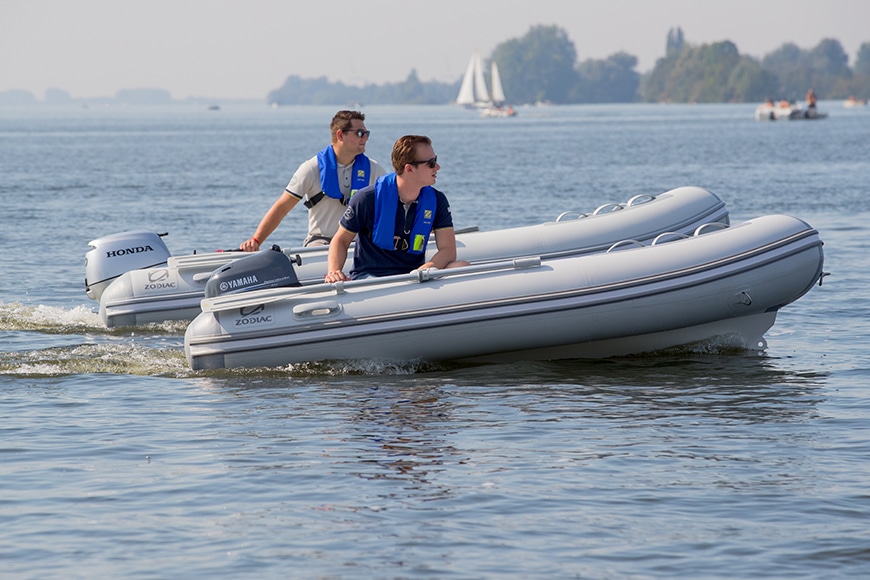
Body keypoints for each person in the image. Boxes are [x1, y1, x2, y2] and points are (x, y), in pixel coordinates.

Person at [325, 135, 470, 282]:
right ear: (409, 168)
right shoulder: (366, 199)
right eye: (431, 163)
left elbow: (448, 250)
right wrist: (334, 272)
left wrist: (429, 267)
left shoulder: (438, 200)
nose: (437, 167)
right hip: (372, 277)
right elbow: (341, 240)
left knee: (462, 266)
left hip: (415, 275)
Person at [240, 110, 388, 250]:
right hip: (320, 241)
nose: (365, 138)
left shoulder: (373, 169)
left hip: (357, 243)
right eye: (360, 133)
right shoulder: (311, 169)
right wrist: (256, 240)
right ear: (340, 135)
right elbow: (282, 207)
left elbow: (396, 200)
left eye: (366, 133)